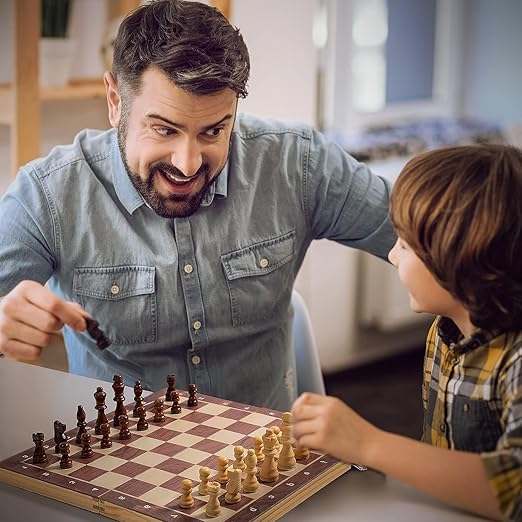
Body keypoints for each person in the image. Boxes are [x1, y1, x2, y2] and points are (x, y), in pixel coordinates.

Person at [0, 0, 394, 410]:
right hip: (126, 465)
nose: (187, 164)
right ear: (115, 100)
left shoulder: (299, 163)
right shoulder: (49, 193)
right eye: (164, 129)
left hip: (264, 464)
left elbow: (429, 238)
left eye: (213, 131)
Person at [292, 144, 522, 520]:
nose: (394, 256)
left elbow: (514, 492)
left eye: (404, 244)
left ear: (457, 258)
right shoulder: (443, 333)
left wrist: (368, 443)